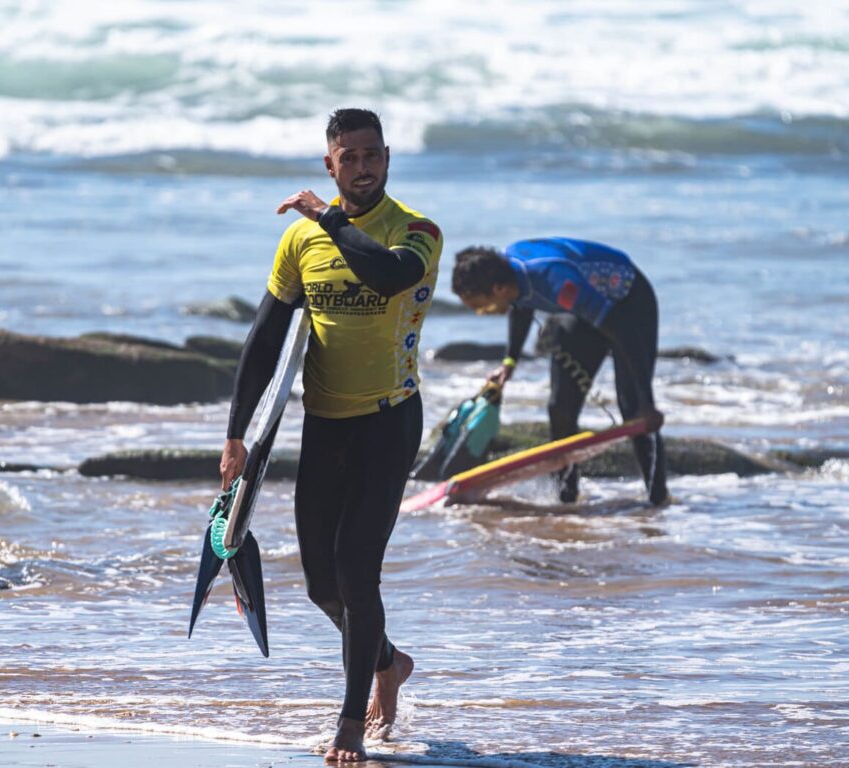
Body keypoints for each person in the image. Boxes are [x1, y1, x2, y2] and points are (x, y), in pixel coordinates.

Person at [219, 108, 442, 763]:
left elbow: (388, 275)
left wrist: (331, 218)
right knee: (321, 584)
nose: (363, 166)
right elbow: (265, 339)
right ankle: (389, 662)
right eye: (350, 157)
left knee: (356, 569)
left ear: (389, 158)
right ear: (330, 164)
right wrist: (236, 435)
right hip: (325, 423)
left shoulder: (417, 231)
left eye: (373, 154)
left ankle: (351, 721)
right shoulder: (300, 243)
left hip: (389, 420)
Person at [451, 238, 668, 505]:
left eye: (479, 306)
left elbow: (620, 329)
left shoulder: (555, 279)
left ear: (497, 288)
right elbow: (520, 306)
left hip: (628, 305)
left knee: (635, 411)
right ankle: (567, 499)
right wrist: (510, 363)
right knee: (560, 408)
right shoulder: (509, 276)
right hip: (582, 310)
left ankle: (658, 502)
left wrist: (647, 401)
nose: (481, 313)